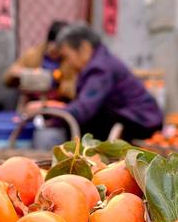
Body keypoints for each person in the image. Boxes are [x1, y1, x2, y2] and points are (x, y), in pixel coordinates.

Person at [27, 23, 163, 140]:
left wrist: (47, 111)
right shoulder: (99, 61)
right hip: (139, 119)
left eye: (67, 56)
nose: (67, 63)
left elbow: (84, 109)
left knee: (87, 123)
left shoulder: (100, 68)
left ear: (84, 48)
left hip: (142, 122)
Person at [3, 21, 76, 101]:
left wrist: (60, 84)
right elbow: (7, 79)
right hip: (31, 102)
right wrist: (22, 74)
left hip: (60, 105)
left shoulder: (71, 61)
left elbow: (76, 89)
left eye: (60, 49)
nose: (56, 52)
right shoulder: (33, 55)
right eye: (54, 48)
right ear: (48, 42)